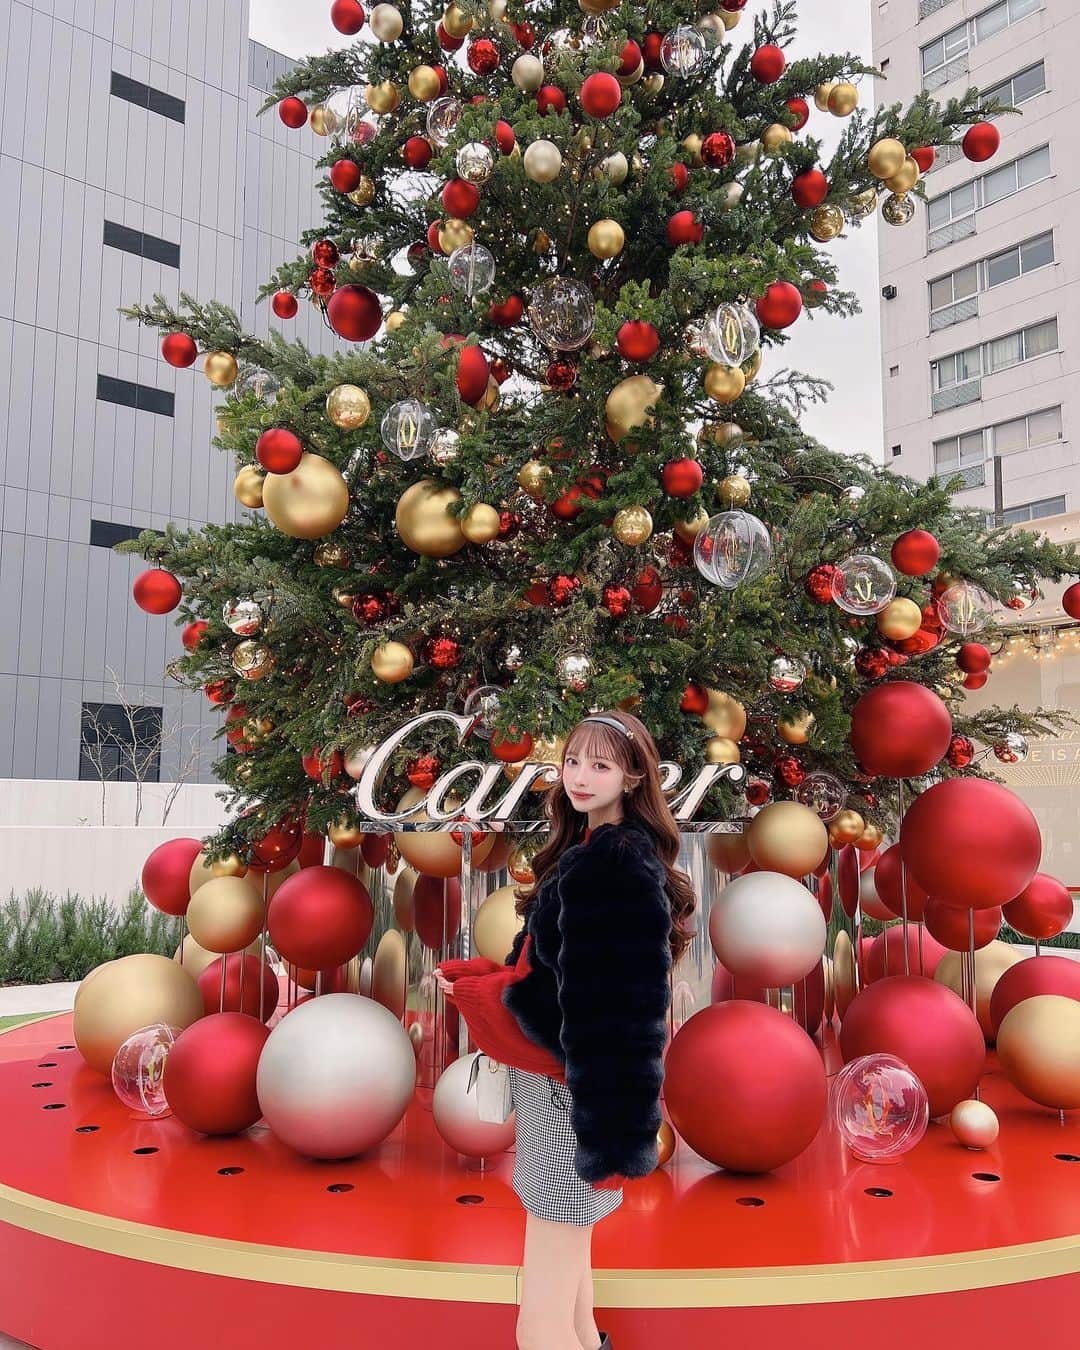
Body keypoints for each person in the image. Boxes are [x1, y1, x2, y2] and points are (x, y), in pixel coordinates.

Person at [435, 710, 696, 1350]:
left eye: (600, 765)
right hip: (571, 1086)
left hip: (569, 1092)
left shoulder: (613, 863)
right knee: (572, 1273)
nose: (579, 777)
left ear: (634, 777)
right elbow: (559, 971)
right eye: (573, 760)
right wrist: (488, 976)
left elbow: (585, 1008)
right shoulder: (593, 850)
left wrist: (479, 991)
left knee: (541, 1314)